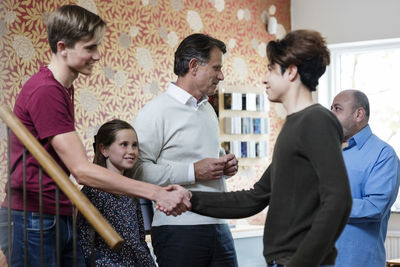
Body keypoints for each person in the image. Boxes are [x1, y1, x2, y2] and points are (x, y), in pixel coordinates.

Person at [0, 5, 190, 267]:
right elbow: (82, 171)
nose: (98, 55)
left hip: (56, 212)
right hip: (32, 217)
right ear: (63, 47)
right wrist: (157, 192)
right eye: (90, 48)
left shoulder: (63, 88)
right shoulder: (46, 91)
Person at [188, 29, 353, 267]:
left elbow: (339, 200)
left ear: (292, 71)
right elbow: (255, 198)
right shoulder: (296, 125)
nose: (265, 78)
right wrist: (189, 198)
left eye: (271, 70)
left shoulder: (316, 120)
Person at [133, 33, 239, 267]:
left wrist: (225, 164)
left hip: (220, 226)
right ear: (193, 66)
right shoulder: (155, 111)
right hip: (178, 229)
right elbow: (136, 171)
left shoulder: (208, 110)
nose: (221, 75)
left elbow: (203, 155)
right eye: (216, 67)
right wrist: (192, 172)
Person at [331, 89, 400, 267]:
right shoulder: (327, 150)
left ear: (359, 114)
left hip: (357, 261)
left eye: (337, 109)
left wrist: (327, 205)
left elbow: (375, 207)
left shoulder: (383, 155)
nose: (331, 115)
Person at [77, 119, 156, 266]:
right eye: (124, 145)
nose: (131, 151)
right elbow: (85, 241)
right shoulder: (93, 191)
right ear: (104, 149)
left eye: (134, 145)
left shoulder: (131, 191)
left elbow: (140, 240)